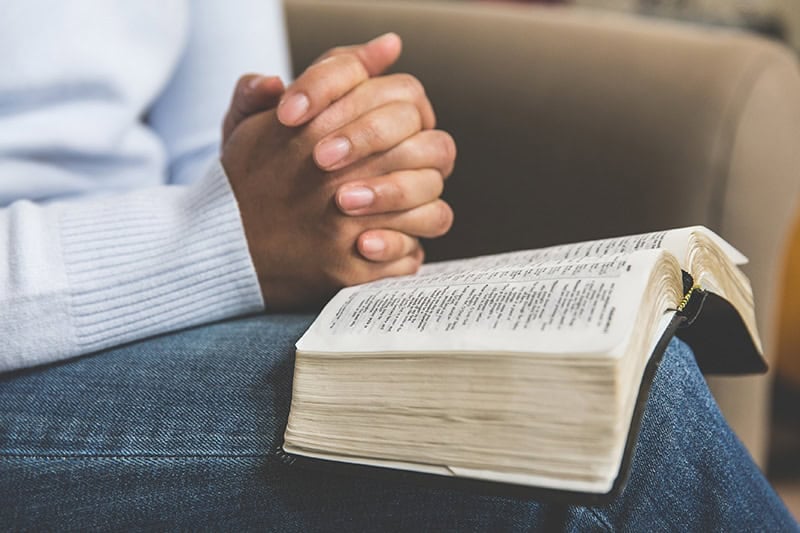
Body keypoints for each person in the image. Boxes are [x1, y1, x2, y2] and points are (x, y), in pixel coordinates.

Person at [0, 1, 796, 530]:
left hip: (138, 305)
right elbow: (212, 228)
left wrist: (315, 191)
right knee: (606, 427)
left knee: (625, 366)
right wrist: (219, 241)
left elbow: (199, 164)